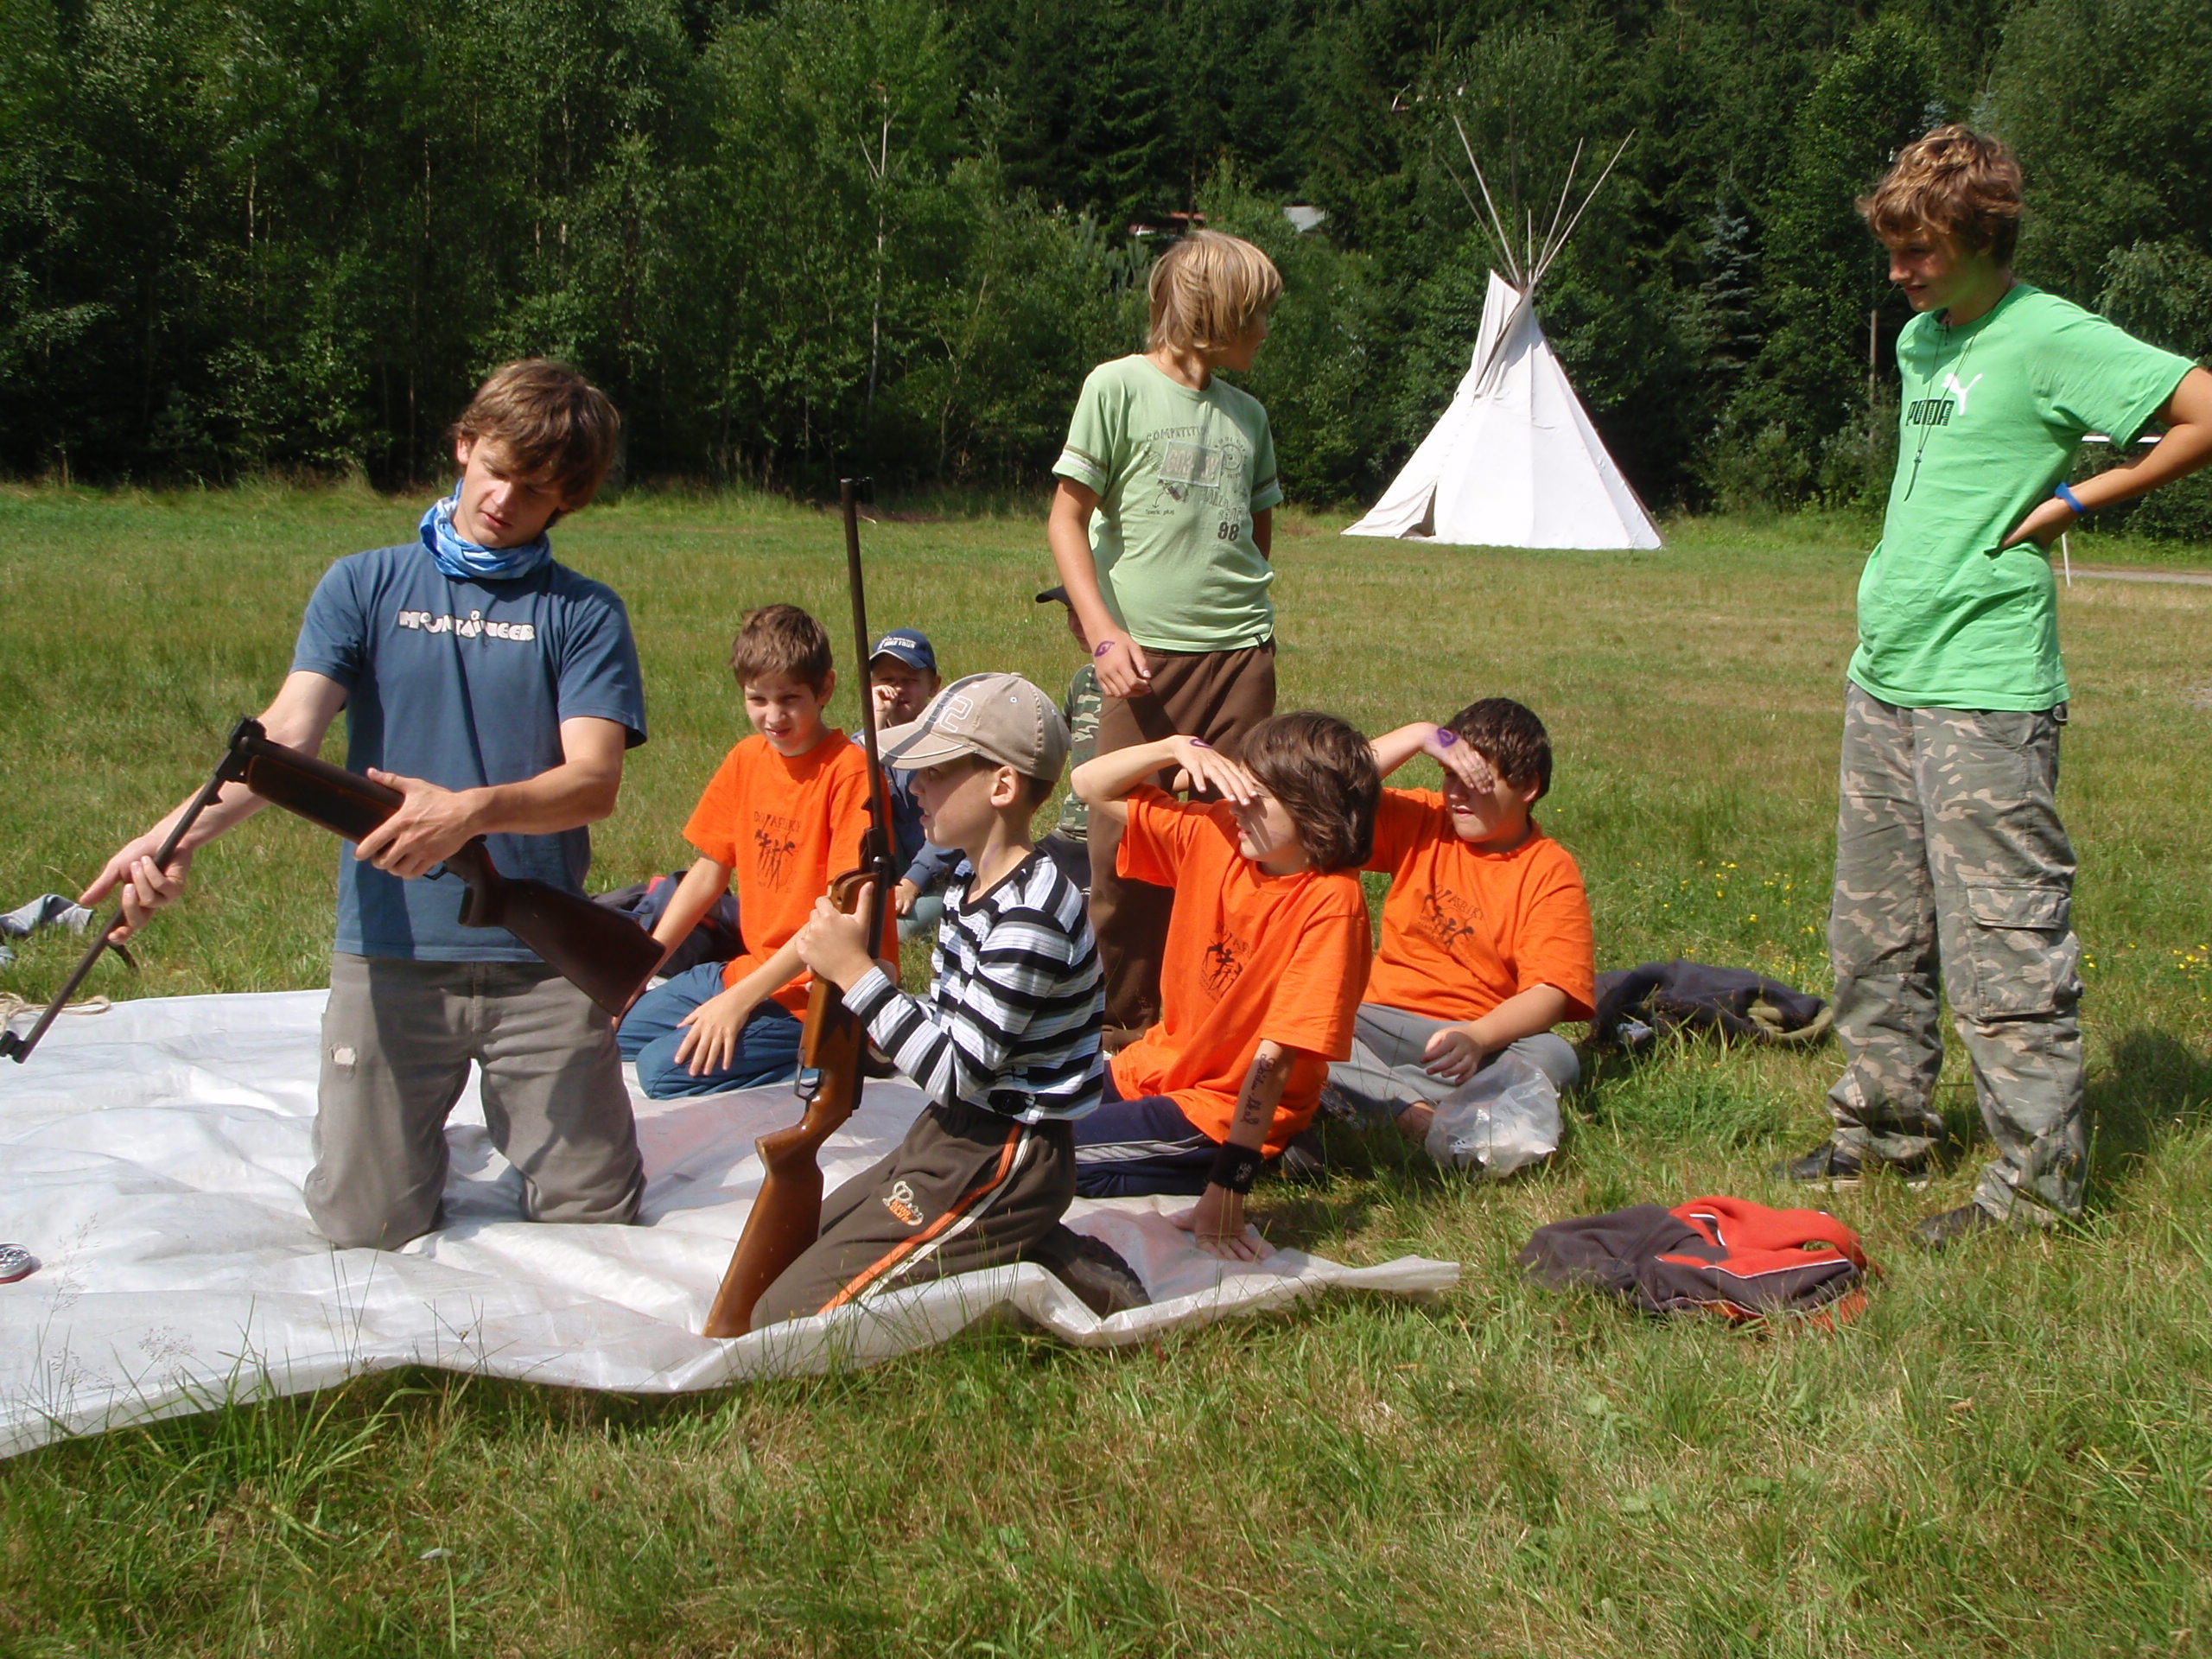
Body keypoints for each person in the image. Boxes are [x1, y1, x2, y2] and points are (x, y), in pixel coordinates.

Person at [83, 360, 648, 1249]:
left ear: (567, 501)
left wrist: (467, 814)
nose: (504, 500)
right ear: (464, 446)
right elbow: (284, 743)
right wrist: (172, 838)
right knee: (365, 1224)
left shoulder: (583, 613)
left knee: (596, 1215)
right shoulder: (364, 584)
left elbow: (593, 782)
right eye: (496, 469)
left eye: (536, 490)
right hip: (390, 953)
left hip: (541, 959)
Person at [1777, 125, 2212, 1247]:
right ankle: (1880, 1132)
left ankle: (2034, 1190)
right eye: (1891, 250)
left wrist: (2074, 502)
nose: (1899, 271)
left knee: (2003, 943)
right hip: (1885, 674)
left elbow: (2203, 411)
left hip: (1985, 691)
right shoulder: (1922, 339)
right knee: (1873, 932)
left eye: (1919, 250)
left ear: (1982, 238)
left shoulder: (2048, 334)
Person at [755, 672, 1112, 1324]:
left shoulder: (1031, 915)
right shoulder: (966, 883)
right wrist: (872, 1007)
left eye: (936, 770)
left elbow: (956, 1070)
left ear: (1002, 786)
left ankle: (1047, 1258)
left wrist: (859, 976)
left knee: (784, 1321)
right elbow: (951, 1023)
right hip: (949, 1132)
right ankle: (999, 1239)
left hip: (1008, 1152)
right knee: (791, 1249)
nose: (914, 785)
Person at [1048, 229, 1285, 1035]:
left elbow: (1255, 536)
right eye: (1254, 315)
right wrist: (1102, 632)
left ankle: (1214, 1008)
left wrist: (1245, 633)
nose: (1264, 332)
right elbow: (1066, 520)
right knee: (1123, 847)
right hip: (1145, 665)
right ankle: (1123, 1025)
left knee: (1236, 836)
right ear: (1209, 313)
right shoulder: (1115, 387)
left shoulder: (1249, 415)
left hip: (1242, 658)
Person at [1066, 713, 1378, 1258]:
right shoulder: (1216, 834)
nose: (1236, 804)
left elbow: (1274, 1060)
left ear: (1316, 810)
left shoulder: (1332, 903)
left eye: (1257, 796)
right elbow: (1088, 785)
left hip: (1219, 1109)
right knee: (1023, 1121)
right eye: (1237, 787)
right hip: (1156, 1068)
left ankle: (1244, 1158)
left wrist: (1229, 1187)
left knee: (1041, 1161)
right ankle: (1199, 1161)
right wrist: (1172, 747)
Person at [616, 604, 889, 1098]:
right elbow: (707, 873)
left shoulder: (851, 774)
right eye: (757, 699)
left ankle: (828, 1054)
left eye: (790, 699)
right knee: (613, 1032)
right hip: (749, 968)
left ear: (825, 689)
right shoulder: (745, 759)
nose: (773, 716)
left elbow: (839, 918)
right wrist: (640, 970)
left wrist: (737, 1003)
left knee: (659, 1072)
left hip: (817, 995)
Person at [1326, 700, 1593, 1154]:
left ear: (1527, 786)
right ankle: (1417, 1117)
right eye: (1450, 775)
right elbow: (1323, 795)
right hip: (1382, 1022)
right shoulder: (1424, 820)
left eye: (1475, 779)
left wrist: (1477, 1036)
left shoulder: (1549, 871)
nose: (1456, 794)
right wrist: (1418, 735)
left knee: (1555, 1056)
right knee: (1309, 1019)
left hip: (1478, 1039)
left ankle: (1370, 1096)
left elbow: (1551, 992)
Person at [863, 628, 961, 943]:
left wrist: (912, 882)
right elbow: (850, 794)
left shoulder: (947, 744)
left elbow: (953, 823)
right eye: (886, 680)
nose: (896, 689)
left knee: (894, 933)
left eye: (909, 680)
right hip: (889, 877)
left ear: (934, 685)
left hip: (944, 876)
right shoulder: (862, 745)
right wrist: (876, 724)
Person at [1033, 584, 1103, 893]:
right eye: (1070, 612)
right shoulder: (1083, 680)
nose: (1074, 624)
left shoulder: (1148, 685)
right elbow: (1060, 744)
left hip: (1114, 835)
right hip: (1069, 832)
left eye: (1084, 612)